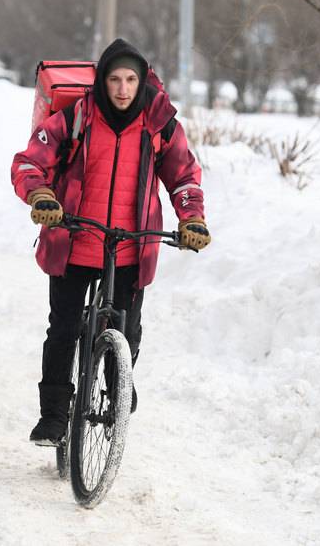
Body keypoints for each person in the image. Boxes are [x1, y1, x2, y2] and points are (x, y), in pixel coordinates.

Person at [11, 38, 212, 445]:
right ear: (103, 81)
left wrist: (191, 218)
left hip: (131, 248)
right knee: (63, 329)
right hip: (74, 240)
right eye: (115, 79)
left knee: (128, 329)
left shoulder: (161, 124)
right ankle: (53, 416)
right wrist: (41, 195)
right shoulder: (78, 117)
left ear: (142, 83)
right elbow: (31, 161)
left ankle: (117, 380)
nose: (122, 89)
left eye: (131, 80)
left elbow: (184, 177)